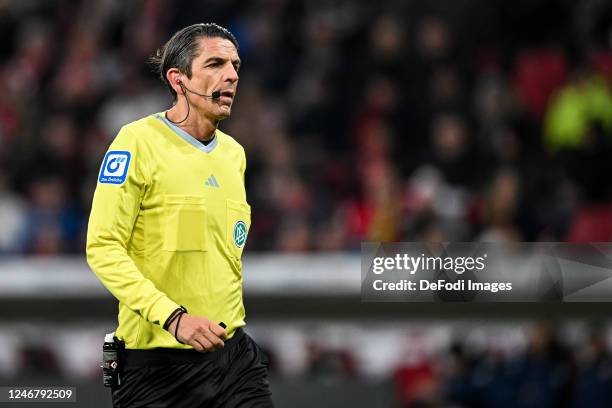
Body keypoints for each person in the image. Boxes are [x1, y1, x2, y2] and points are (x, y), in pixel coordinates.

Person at [86, 23, 273, 407]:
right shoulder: (136, 143)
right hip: (157, 369)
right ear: (178, 79)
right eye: (215, 63)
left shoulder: (234, 155)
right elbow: (103, 247)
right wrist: (174, 318)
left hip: (233, 359)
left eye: (235, 65)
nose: (232, 75)